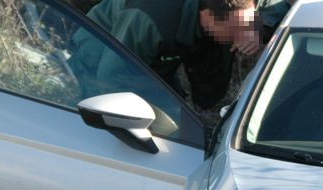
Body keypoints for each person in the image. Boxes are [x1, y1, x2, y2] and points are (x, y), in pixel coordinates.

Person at [72, 0, 260, 110]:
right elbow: (113, 78)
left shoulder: (221, 14)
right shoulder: (150, 20)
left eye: (247, 26)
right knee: (101, 113)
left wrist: (256, 27)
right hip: (103, 50)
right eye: (237, 30)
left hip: (155, 56)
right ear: (207, 16)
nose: (243, 36)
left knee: (176, 114)